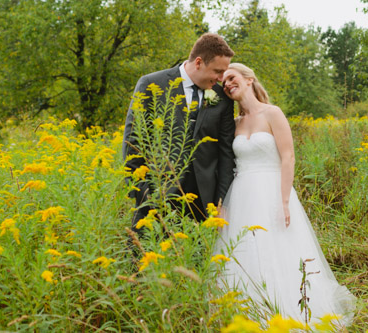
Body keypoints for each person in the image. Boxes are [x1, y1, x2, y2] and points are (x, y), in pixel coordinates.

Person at [217, 63, 356, 324]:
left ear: (249, 79)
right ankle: (245, 315)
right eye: (223, 82)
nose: (227, 84)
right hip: (242, 194)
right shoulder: (233, 123)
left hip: (272, 190)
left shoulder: (273, 113)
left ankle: (289, 313)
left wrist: (283, 200)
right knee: (243, 250)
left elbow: (288, 157)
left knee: (279, 250)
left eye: (231, 78)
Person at [123, 33, 236, 228]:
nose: (221, 79)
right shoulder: (151, 84)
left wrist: (220, 201)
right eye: (217, 71)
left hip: (203, 206)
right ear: (199, 62)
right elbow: (133, 141)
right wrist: (144, 195)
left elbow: (226, 152)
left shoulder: (221, 97)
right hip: (156, 199)